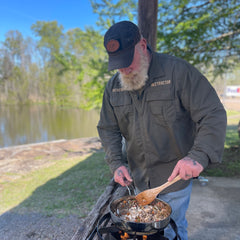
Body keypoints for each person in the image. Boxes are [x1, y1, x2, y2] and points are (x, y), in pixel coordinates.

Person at [97, 21, 227, 240]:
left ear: (143, 45)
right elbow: (108, 128)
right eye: (118, 64)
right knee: (143, 233)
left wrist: (198, 156)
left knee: (172, 230)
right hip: (138, 180)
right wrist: (116, 163)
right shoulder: (113, 87)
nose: (124, 69)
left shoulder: (177, 72)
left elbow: (212, 113)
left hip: (174, 179)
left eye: (128, 61)